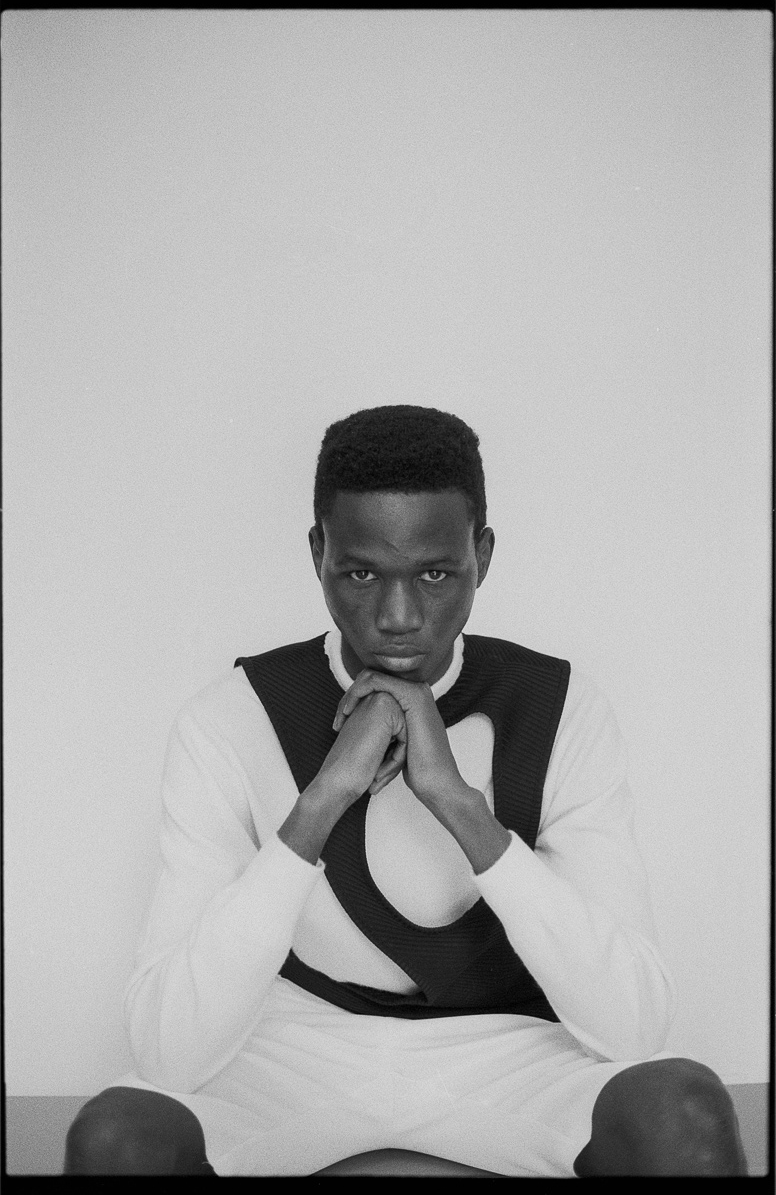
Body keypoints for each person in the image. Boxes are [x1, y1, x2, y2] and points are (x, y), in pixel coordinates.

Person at [65, 405, 747, 1176]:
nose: (398, 617)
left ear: (481, 555)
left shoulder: (560, 709)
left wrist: (457, 803)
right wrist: (321, 800)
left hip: (511, 1052)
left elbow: (634, 1028)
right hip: (293, 1053)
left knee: (683, 1114)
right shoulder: (232, 718)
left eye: (435, 574)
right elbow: (167, 1053)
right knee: (117, 1138)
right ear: (318, 553)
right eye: (361, 573)